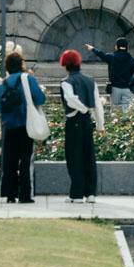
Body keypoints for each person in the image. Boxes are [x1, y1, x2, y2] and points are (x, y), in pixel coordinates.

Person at [0, 49, 43, 203]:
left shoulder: (3, 84)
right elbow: (40, 98)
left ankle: (10, 194)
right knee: (25, 160)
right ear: (21, 64)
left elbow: (0, 107)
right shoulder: (27, 79)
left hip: (9, 126)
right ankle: (25, 195)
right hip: (25, 124)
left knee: (9, 161)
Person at [58, 49, 102, 202]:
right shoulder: (90, 81)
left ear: (65, 65)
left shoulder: (66, 82)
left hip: (73, 121)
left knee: (74, 156)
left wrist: (82, 107)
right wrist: (100, 125)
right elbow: (97, 104)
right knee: (89, 156)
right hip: (87, 121)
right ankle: (91, 193)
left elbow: (71, 100)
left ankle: (76, 194)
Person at [88, 38, 134, 112]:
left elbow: (102, 55)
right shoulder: (131, 59)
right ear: (127, 47)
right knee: (127, 111)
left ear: (116, 46)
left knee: (115, 110)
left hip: (115, 88)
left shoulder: (112, 57)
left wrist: (93, 49)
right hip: (128, 88)